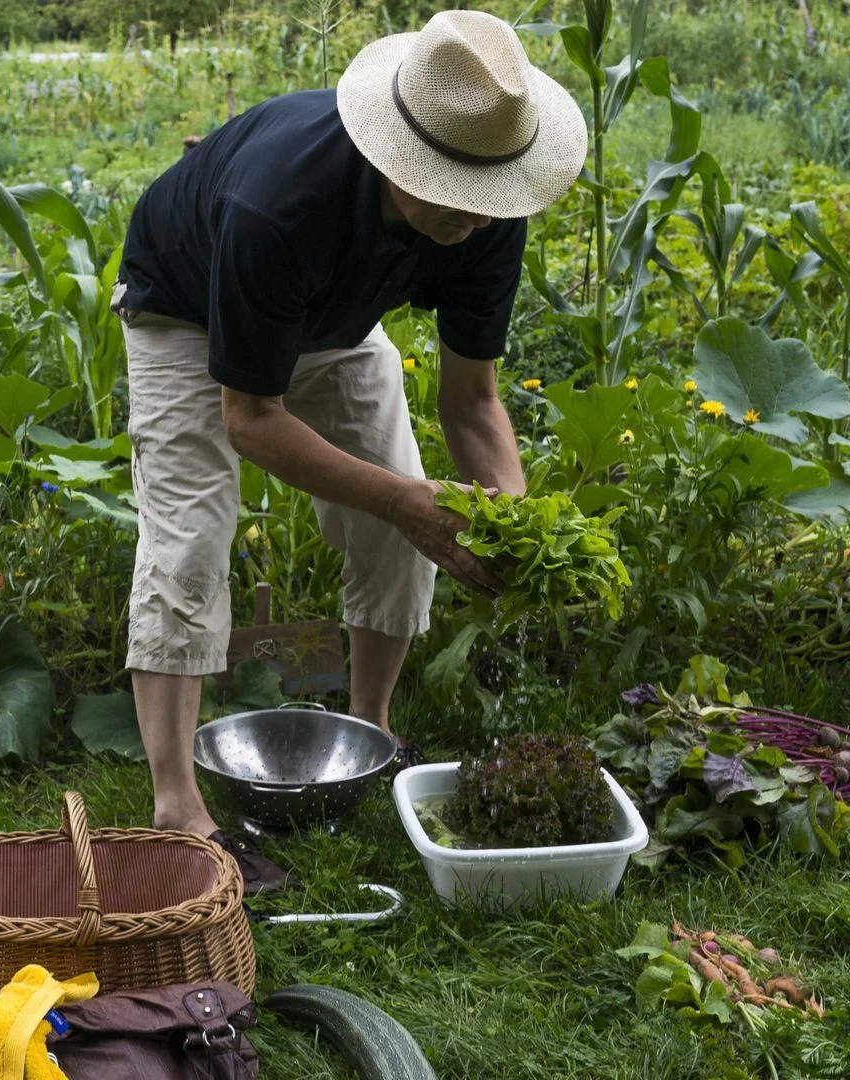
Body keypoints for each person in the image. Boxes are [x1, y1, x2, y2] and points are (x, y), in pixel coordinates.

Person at [112, 9, 586, 892]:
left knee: (413, 522)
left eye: (482, 199)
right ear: (390, 156)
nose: (467, 218)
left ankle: (372, 733)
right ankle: (177, 805)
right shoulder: (280, 200)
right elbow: (252, 417)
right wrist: (409, 501)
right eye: (443, 191)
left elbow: (473, 400)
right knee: (191, 538)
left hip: (335, 323)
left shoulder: (486, 209)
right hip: (185, 312)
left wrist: (513, 520)